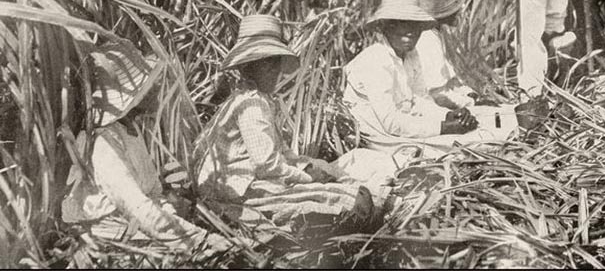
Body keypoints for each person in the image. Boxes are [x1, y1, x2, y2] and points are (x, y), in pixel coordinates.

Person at [194, 15, 387, 234]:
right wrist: (307, 176)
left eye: (275, 63)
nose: (274, 71)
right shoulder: (250, 104)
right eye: (265, 65)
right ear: (247, 69)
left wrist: (308, 165)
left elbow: (281, 152)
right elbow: (266, 165)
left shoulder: (257, 99)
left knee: (334, 182)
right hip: (234, 189)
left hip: (239, 181)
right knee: (336, 200)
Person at [62, 44, 232, 254]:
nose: (159, 86)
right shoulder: (103, 143)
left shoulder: (129, 129)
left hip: (138, 224)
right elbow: (137, 208)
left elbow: (153, 195)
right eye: (151, 83)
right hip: (111, 233)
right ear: (134, 95)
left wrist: (178, 218)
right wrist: (200, 240)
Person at [344, 0, 514, 159]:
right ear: (387, 26)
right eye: (403, 23)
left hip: (409, 126)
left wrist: (449, 115)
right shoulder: (374, 60)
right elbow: (391, 123)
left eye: (415, 24)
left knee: (484, 127)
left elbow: (419, 100)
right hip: (383, 139)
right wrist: (444, 127)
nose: (411, 31)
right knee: (479, 144)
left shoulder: (410, 54)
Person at [407, 0, 478, 109]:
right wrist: (471, 103)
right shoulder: (426, 40)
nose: (459, 11)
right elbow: (437, 96)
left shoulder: (436, 34)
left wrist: (468, 93)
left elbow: (448, 85)